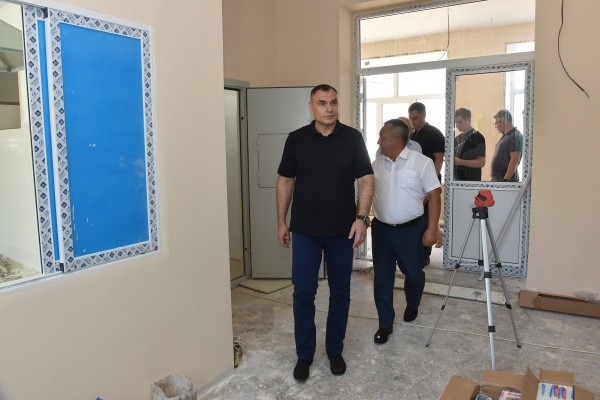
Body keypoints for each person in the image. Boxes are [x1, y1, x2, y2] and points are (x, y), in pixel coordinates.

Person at [276, 84, 374, 381]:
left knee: (340, 292)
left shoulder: (352, 138)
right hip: (305, 231)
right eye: (322, 103)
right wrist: (281, 221)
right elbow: (285, 181)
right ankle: (304, 355)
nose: (329, 108)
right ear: (311, 106)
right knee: (304, 292)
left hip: (342, 232)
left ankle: (334, 351)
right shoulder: (296, 139)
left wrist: (362, 218)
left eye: (333, 102)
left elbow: (366, 179)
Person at [370, 119, 441, 344]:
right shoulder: (375, 165)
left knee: (413, 274)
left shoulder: (421, 163)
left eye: (382, 137)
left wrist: (432, 229)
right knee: (382, 278)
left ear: (396, 140)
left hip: (411, 231)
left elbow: (434, 196)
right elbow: (367, 194)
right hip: (381, 231)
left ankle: (412, 304)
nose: (378, 141)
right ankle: (385, 324)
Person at [407, 102, 445, 266]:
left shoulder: (434, 134)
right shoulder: (412, 136)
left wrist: (431, 181)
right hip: (414, 183)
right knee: (416, 218)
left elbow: (439, 159)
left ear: (424, 115)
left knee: (427, 219)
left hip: (429, 184)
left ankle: (424, 255)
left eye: (415, 118)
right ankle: (414, 252)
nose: (412, 122)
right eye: (410, 118)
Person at [454, 108, 486, 181]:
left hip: (471, 182)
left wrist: (459, 162)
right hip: (456, 181)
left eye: (460, 122)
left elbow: (481, 162)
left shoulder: (478, 137)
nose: (457, 125)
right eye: (456, 122)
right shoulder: (457, 138)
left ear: (468, 121)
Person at [491, 109, 523, 182]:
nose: (495, 126)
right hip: (498, 181)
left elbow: (515, 160)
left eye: (496, 123)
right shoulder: (505, 137)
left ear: (504, 121)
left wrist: (505, 181)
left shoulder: (515, 136)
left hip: (506, 182)